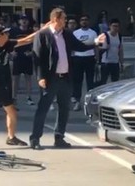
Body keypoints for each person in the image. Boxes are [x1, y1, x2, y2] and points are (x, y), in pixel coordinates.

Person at [29, 8, 96, 150]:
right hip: (50, 78)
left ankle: (59, 137)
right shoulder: (43, 35)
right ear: (55, 19)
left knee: (64, 109)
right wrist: (40, 77)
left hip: (65, 77)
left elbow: (80, 46)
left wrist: (96, 42)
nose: (65, 21)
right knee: (43, 108)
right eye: (63, 19)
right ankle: (35, 138)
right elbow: (37, 58)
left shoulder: (67, 34)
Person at [71, 14, 98, 111]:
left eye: (86, 20)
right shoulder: (75, 33)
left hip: (90, 58)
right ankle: (77, 102)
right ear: (80, 22)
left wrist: (97, 59)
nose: (84, 21)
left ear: (89, 21)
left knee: (90, 81)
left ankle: (89, 102)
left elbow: (96, 46)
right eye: (82, 20)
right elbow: (72, 47)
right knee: (77, 81)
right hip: (78, 58)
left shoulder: (93, 33)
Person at [11, 15, 35, 106]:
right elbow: (10, 42)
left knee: (28, 77)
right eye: (22, 20)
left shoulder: (31, 31)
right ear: (19, 21)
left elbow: (35, 43)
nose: (24, 21)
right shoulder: (14, 31)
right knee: (15, 78)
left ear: (28, 22)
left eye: (25, 20)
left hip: (27, 56)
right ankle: (14, 97)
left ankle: (29, 97)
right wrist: (12, 52)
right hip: (17, 56)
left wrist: (32, 52)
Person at [95, 18, 124, 85]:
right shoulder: (103, 36)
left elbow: (120, 50)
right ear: (110, 26)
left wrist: (121, 63)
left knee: (115, 82)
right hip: (105, 62)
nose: (115, 28)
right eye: (114, 26)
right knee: (103, 81)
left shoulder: (119, 36)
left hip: (115, 62)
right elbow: (96, 47)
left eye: (117, 26)